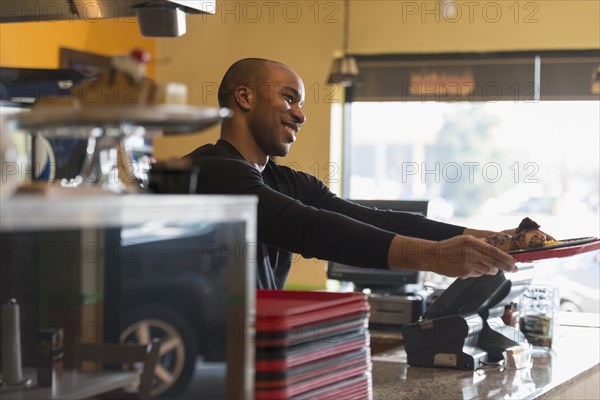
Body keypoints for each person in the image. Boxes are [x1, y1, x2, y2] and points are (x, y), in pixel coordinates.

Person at [185, 58, 519, 289]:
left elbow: (380, 221)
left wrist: (495, 241)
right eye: (290, 99)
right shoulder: (210, 172)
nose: (301, 115)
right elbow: (309, 228)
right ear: (245, 97)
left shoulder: (289, 182)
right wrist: (434, 256)